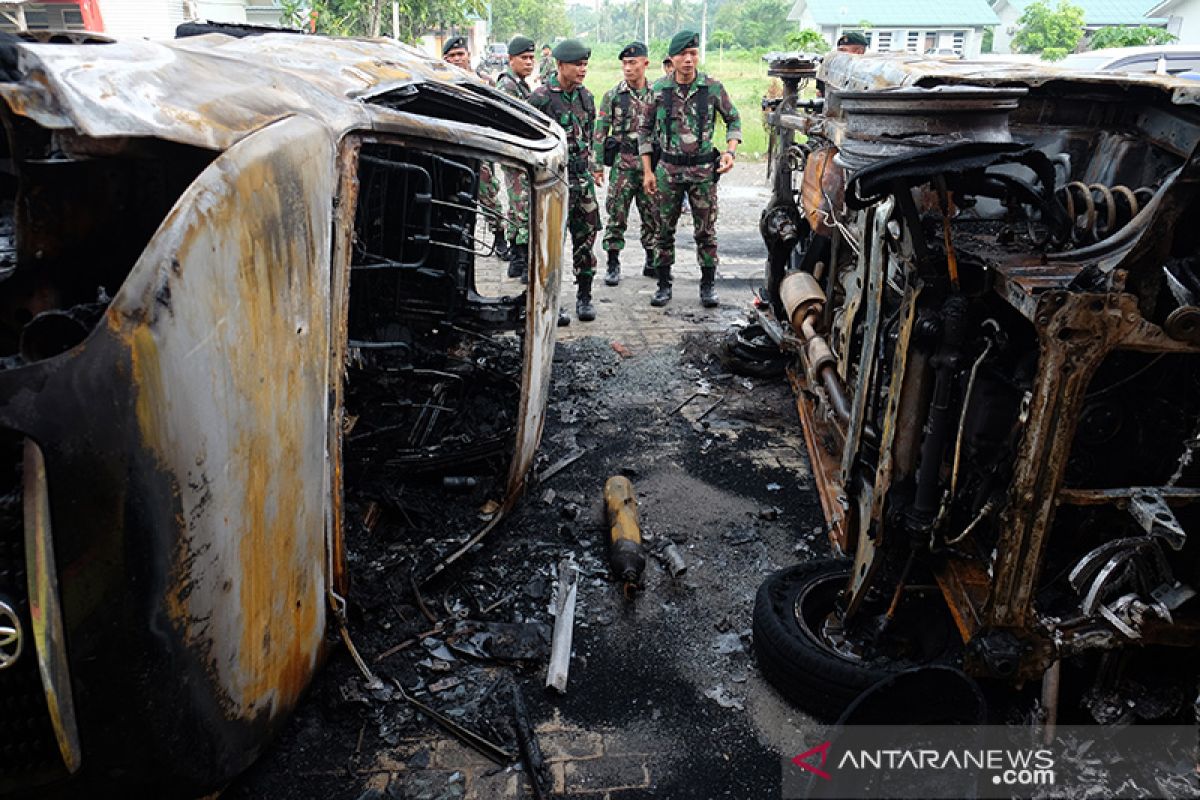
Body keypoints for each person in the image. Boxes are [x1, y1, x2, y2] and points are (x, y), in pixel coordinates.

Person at [638, 29, 741, 308]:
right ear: (671, 58)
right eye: (682, 54)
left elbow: (734, 119)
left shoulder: (712, 88)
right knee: (663, 230)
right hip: (668, 170)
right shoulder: (659, 90)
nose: (688, 59)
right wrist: (648, 171)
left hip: (703, 172)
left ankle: (708, 286)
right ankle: (663, 284)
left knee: (706, 231)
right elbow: (644, 132)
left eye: (693, 53)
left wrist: (730, 152)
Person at [529, 39, 601, 322]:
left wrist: (592, 169)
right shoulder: (540, 98)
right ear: (560, 65)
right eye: (577, 64)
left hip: (582, 182)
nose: (583, 70)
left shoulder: (587, 97)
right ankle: (553, 302)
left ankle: (585, 297)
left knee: (585, 240)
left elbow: (590, 137)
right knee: (551, 243)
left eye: (585, 64)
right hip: (553, 181)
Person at [593, 41, 658, 286]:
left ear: (645, 63)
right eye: (624, 64)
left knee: (652, 214)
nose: (628, 68)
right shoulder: (613, 95)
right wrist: (597, 165)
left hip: (649, 165)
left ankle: (652, 260)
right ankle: (612, 262)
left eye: (632, 63)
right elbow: (600, 132)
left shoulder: (657, 93)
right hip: (622, 163)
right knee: (616, 214)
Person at [443, 36, 509, 261]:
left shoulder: (484, 82)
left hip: (479, 150)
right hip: (451, 150)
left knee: (488, 196)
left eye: (460, 54)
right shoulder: (439, 82)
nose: (457, 59)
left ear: (468, 55)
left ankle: (500, 238)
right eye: (451, 56)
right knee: (451, 197)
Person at [495, 36, 536, 282]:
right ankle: (520, 257)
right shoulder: (508, 86)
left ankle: (517, 260)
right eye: (524, 58)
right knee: (521, 206)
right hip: (515, 154)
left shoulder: (519, 84)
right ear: (511, 60)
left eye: (532, 58)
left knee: (517, 205)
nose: (529, 62)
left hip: (519, 154)